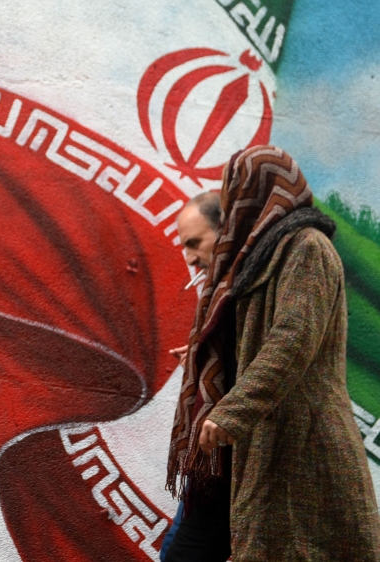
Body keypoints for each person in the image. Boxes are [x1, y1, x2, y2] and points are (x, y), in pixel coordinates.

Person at [167, 145, 380, 561]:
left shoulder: (306, 247)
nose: (233, 204)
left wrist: (232, 412)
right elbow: (257, 340)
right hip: (238, 445)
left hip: (291, 442)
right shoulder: (248, 261)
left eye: (238, 191)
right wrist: (205, 354)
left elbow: (293, 339)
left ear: (260, 192)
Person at [160, 191, 232, 562]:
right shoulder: (221, 287)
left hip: (226, 459)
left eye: (194, 243)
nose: (189, 258)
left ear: (226, 230)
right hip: (206, 460)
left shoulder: (248, 285)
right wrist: (202, 360)